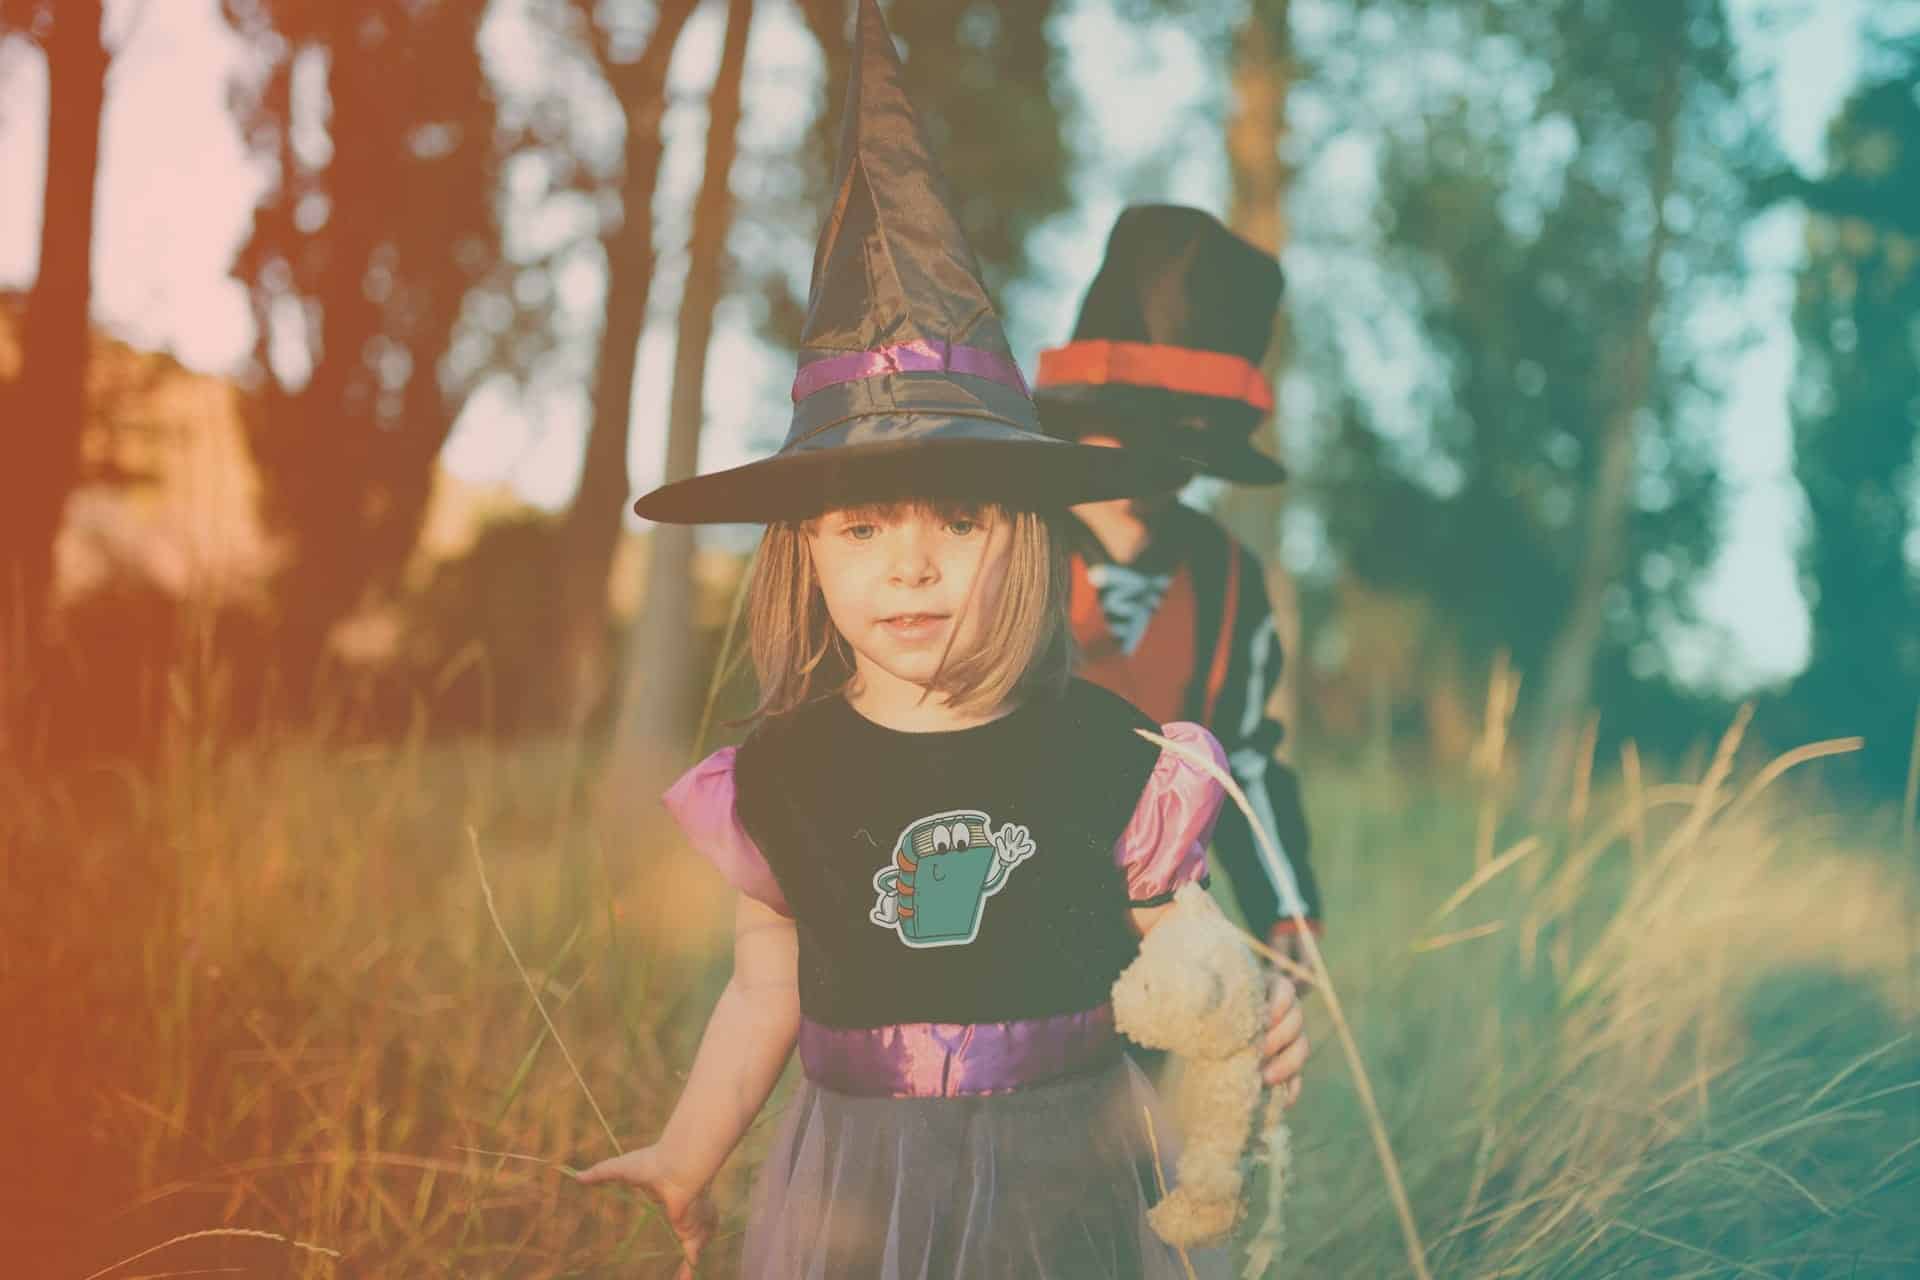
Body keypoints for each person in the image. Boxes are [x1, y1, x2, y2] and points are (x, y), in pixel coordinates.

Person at [575, 5, 1308, 1276]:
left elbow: (1204, 884)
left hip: (1076, 1128)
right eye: (861, 527)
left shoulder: (1140, 703)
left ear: (1018, 533)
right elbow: (765, 984)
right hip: (859, 1175)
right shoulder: (788, 769)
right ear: (805, 551)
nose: (909, 563)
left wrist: (1262, 978)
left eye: (958, 521)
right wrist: (690, 1148)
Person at [1033, 205, 1325, 967]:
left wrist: (1287, 913)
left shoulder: (1229, 578)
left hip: (1157, 941)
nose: (1153, 465)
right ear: (1080, 418)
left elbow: (1244, 762)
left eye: (1184, 442)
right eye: (1131, 430)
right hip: (1006, 914)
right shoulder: (1006, 544)